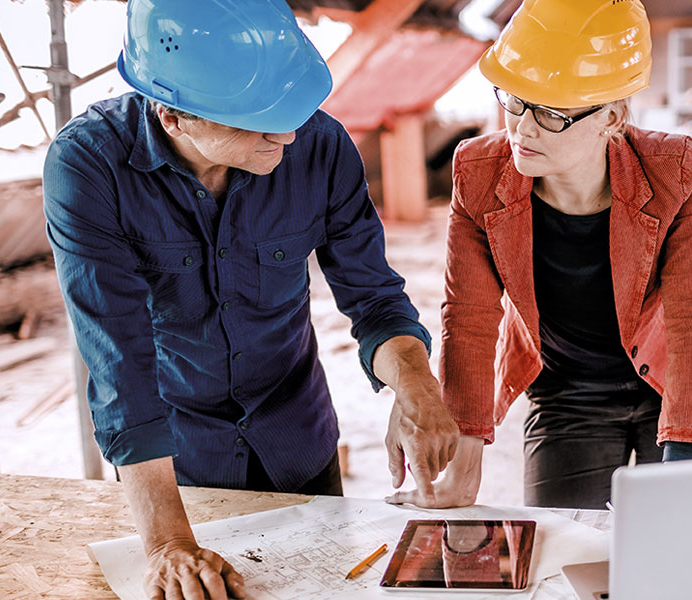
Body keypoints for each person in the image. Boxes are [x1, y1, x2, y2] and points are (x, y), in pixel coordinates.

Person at [42, 0, 458, 598]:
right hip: (178, 465)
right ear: (172, 115)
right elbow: (119, 362)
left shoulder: (319, 145)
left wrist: (416, 387)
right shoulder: (90, 166)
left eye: (289, 111)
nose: (286, 133)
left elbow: (372, 298)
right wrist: (165, 542)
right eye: (258, 119)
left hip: (298, 436)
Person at [387, 0, 692, 511]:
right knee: (566, 556)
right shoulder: (478, 173)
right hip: (567, 393)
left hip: (676, 380)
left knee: (669, 547)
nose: (522, 129)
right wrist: (464, 457)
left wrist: (684, 459)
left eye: (551, 113)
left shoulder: (673, 169)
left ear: (612, 117)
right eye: (515, 100)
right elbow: (468, 318)